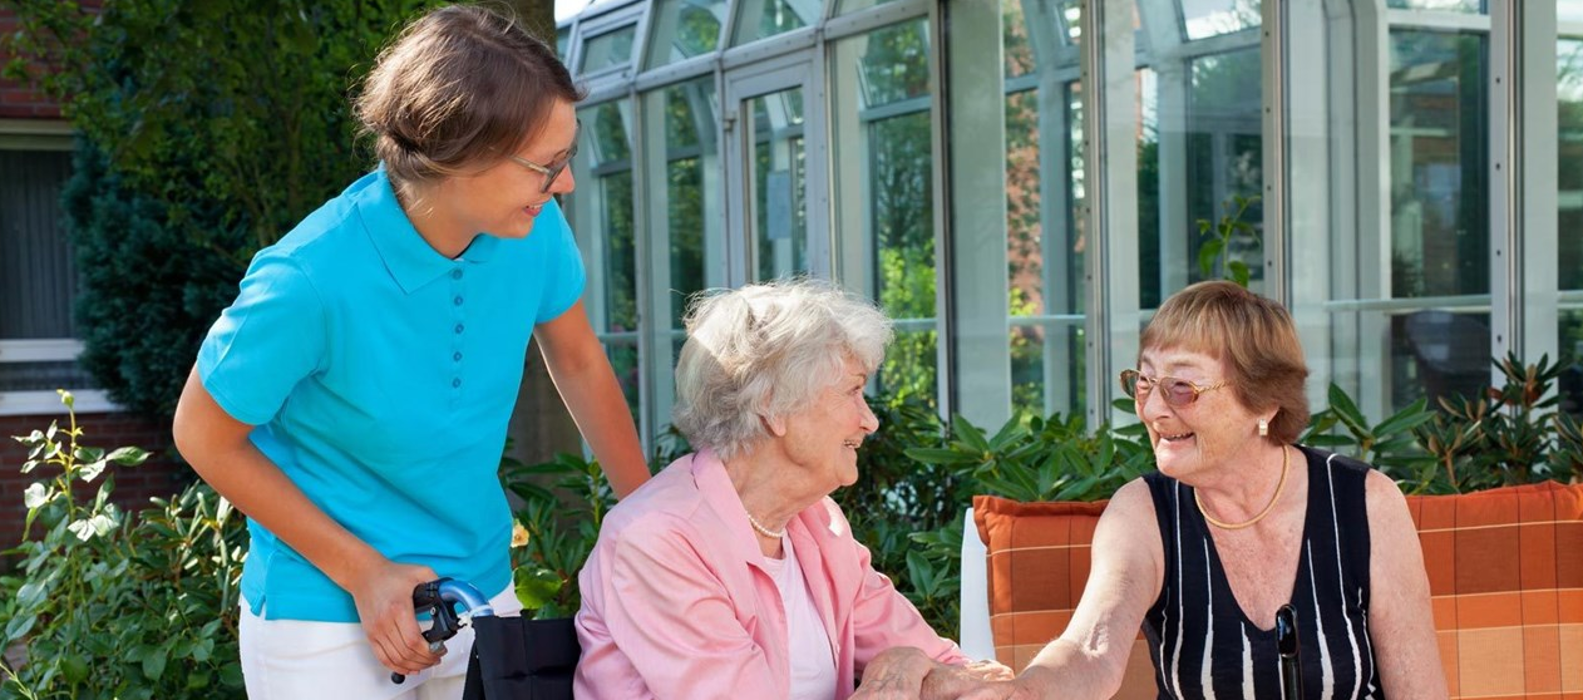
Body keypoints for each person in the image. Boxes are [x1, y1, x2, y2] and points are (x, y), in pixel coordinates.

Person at [169, 6, 650, 698]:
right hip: (324, 615)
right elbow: (202, 434)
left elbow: (576, 359)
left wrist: (644, 519)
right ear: (461, 157)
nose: (564, 184)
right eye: (547, 166)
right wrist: (363, 572)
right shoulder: (307, 279)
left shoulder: (534, 231)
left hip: (480, 591)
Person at [942, 281, 1446, 699]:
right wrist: (1025, 694)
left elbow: (1418, 690)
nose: (1153, 410)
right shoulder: (1144, 512)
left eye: (1182, 387)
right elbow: (1092, 647)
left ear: (1264, 403)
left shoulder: (1363, 504)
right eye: (1144, 381)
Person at [574, 279, 1010, 700]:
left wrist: (909, 664)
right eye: (853, 391)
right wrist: (895, 672)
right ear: (773, 406)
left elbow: (949, 667)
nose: (869, 421)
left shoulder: (817, 522)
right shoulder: (656, 540)